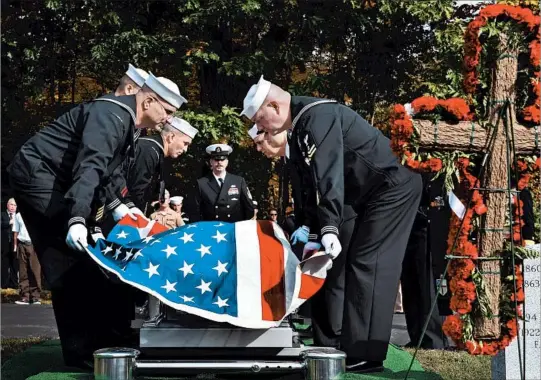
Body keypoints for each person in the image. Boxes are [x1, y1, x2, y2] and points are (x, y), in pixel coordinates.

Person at [241, 76, 422, 373]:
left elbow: (328, 174)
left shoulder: (316, 115)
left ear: (274, 105)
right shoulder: (300, 125)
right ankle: (354, 345)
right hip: (367, 193)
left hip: (391, 186)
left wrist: (329, 228)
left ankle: (366, 351)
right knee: (358, 263)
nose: (262, 130)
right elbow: (309, 187)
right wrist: (311, 228)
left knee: (369, 262)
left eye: (262, 122)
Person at [7, 72, 186, 369]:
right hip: (37, 177)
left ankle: (104, 340)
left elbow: (110, 171)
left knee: (86, 262)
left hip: (55, 180)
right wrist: (77, 217)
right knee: (70, 261)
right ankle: (83, 352)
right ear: (149, 100)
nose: (167, 121)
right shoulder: (111, 114)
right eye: (166, 112)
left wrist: (121, 205)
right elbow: (90, 165)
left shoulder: (124, 120)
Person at [125, 116, 198, 212]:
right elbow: (135, 191)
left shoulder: (156, 151)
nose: (185, 150)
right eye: (185, 143)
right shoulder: (149, 151)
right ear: (171, 137)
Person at [190, 144, 255, 223]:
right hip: (211, 229)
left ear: (227, 161)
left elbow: (249, 208)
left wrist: (240, 225)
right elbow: (194, 212)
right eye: (216, 159)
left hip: (233, 228)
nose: (219, 162)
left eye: (222, 159)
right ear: (211, 162)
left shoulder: (238, 181)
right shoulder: (201, 183)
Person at [13, 211, 42, 305]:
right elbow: (16, 231)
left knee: (35, 270)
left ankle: (35, 296)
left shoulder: (35, 214)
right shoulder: (17, 215)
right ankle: (25, 296)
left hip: (33, 244)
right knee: (22, 271)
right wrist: (15, 245)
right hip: (22, 243)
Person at [1, 198, 18, 289]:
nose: (13, 207)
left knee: (15, 264)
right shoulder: (2, 214)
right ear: (7, 205)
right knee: (4, 264)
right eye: (11, 204)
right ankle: (3, 285)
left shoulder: (19, 216)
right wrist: (8, 222)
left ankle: (14, 284)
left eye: (15, 205)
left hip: (15, 244)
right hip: (4, 244)